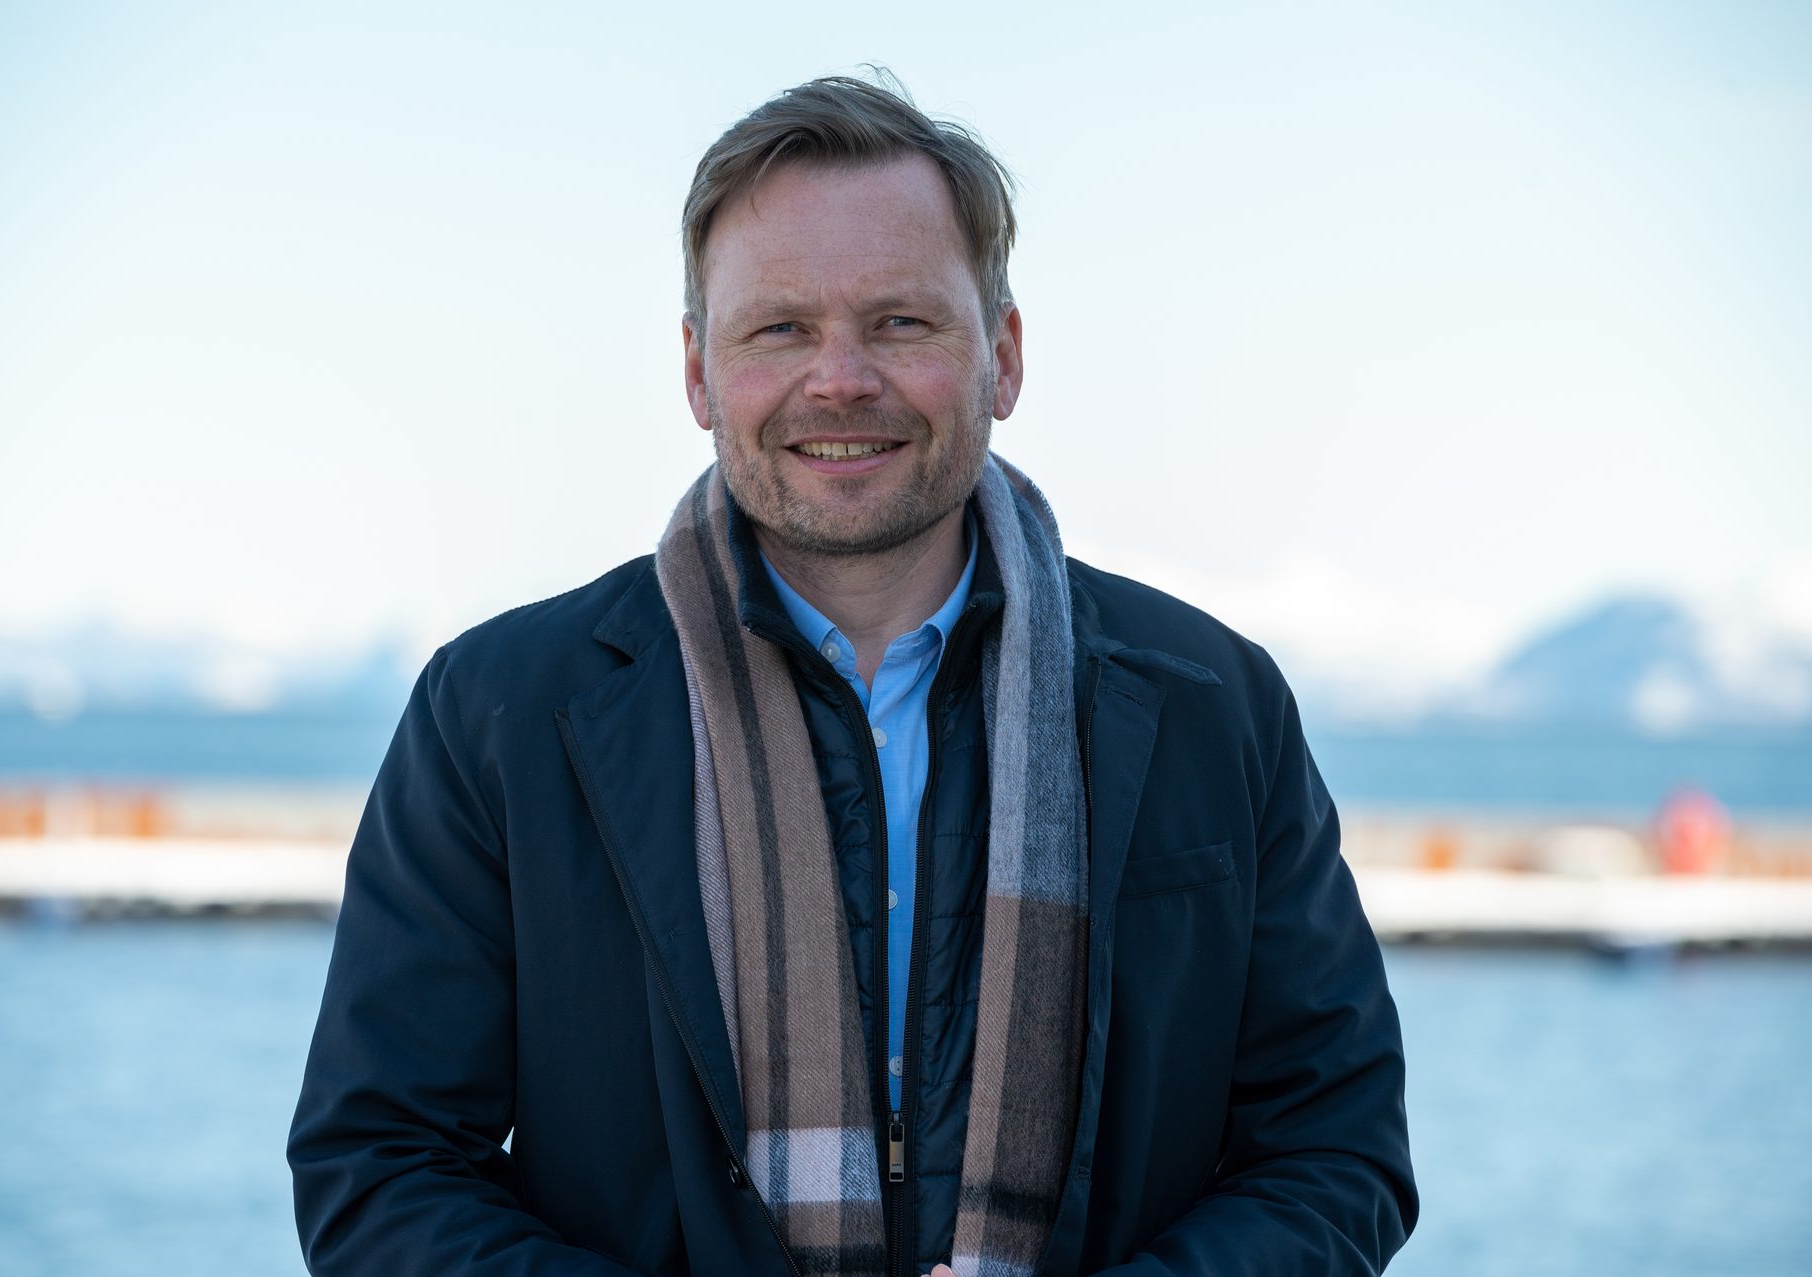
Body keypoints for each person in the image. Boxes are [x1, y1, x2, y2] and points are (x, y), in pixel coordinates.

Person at [288, 74, 1416, 1277]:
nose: (839, 378)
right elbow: (382, 1168)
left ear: (1003, 357)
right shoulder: (498, 714)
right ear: (698, 370)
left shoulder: (1211, 704)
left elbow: (1334, 1150)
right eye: (780, 327)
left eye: (901, 322)